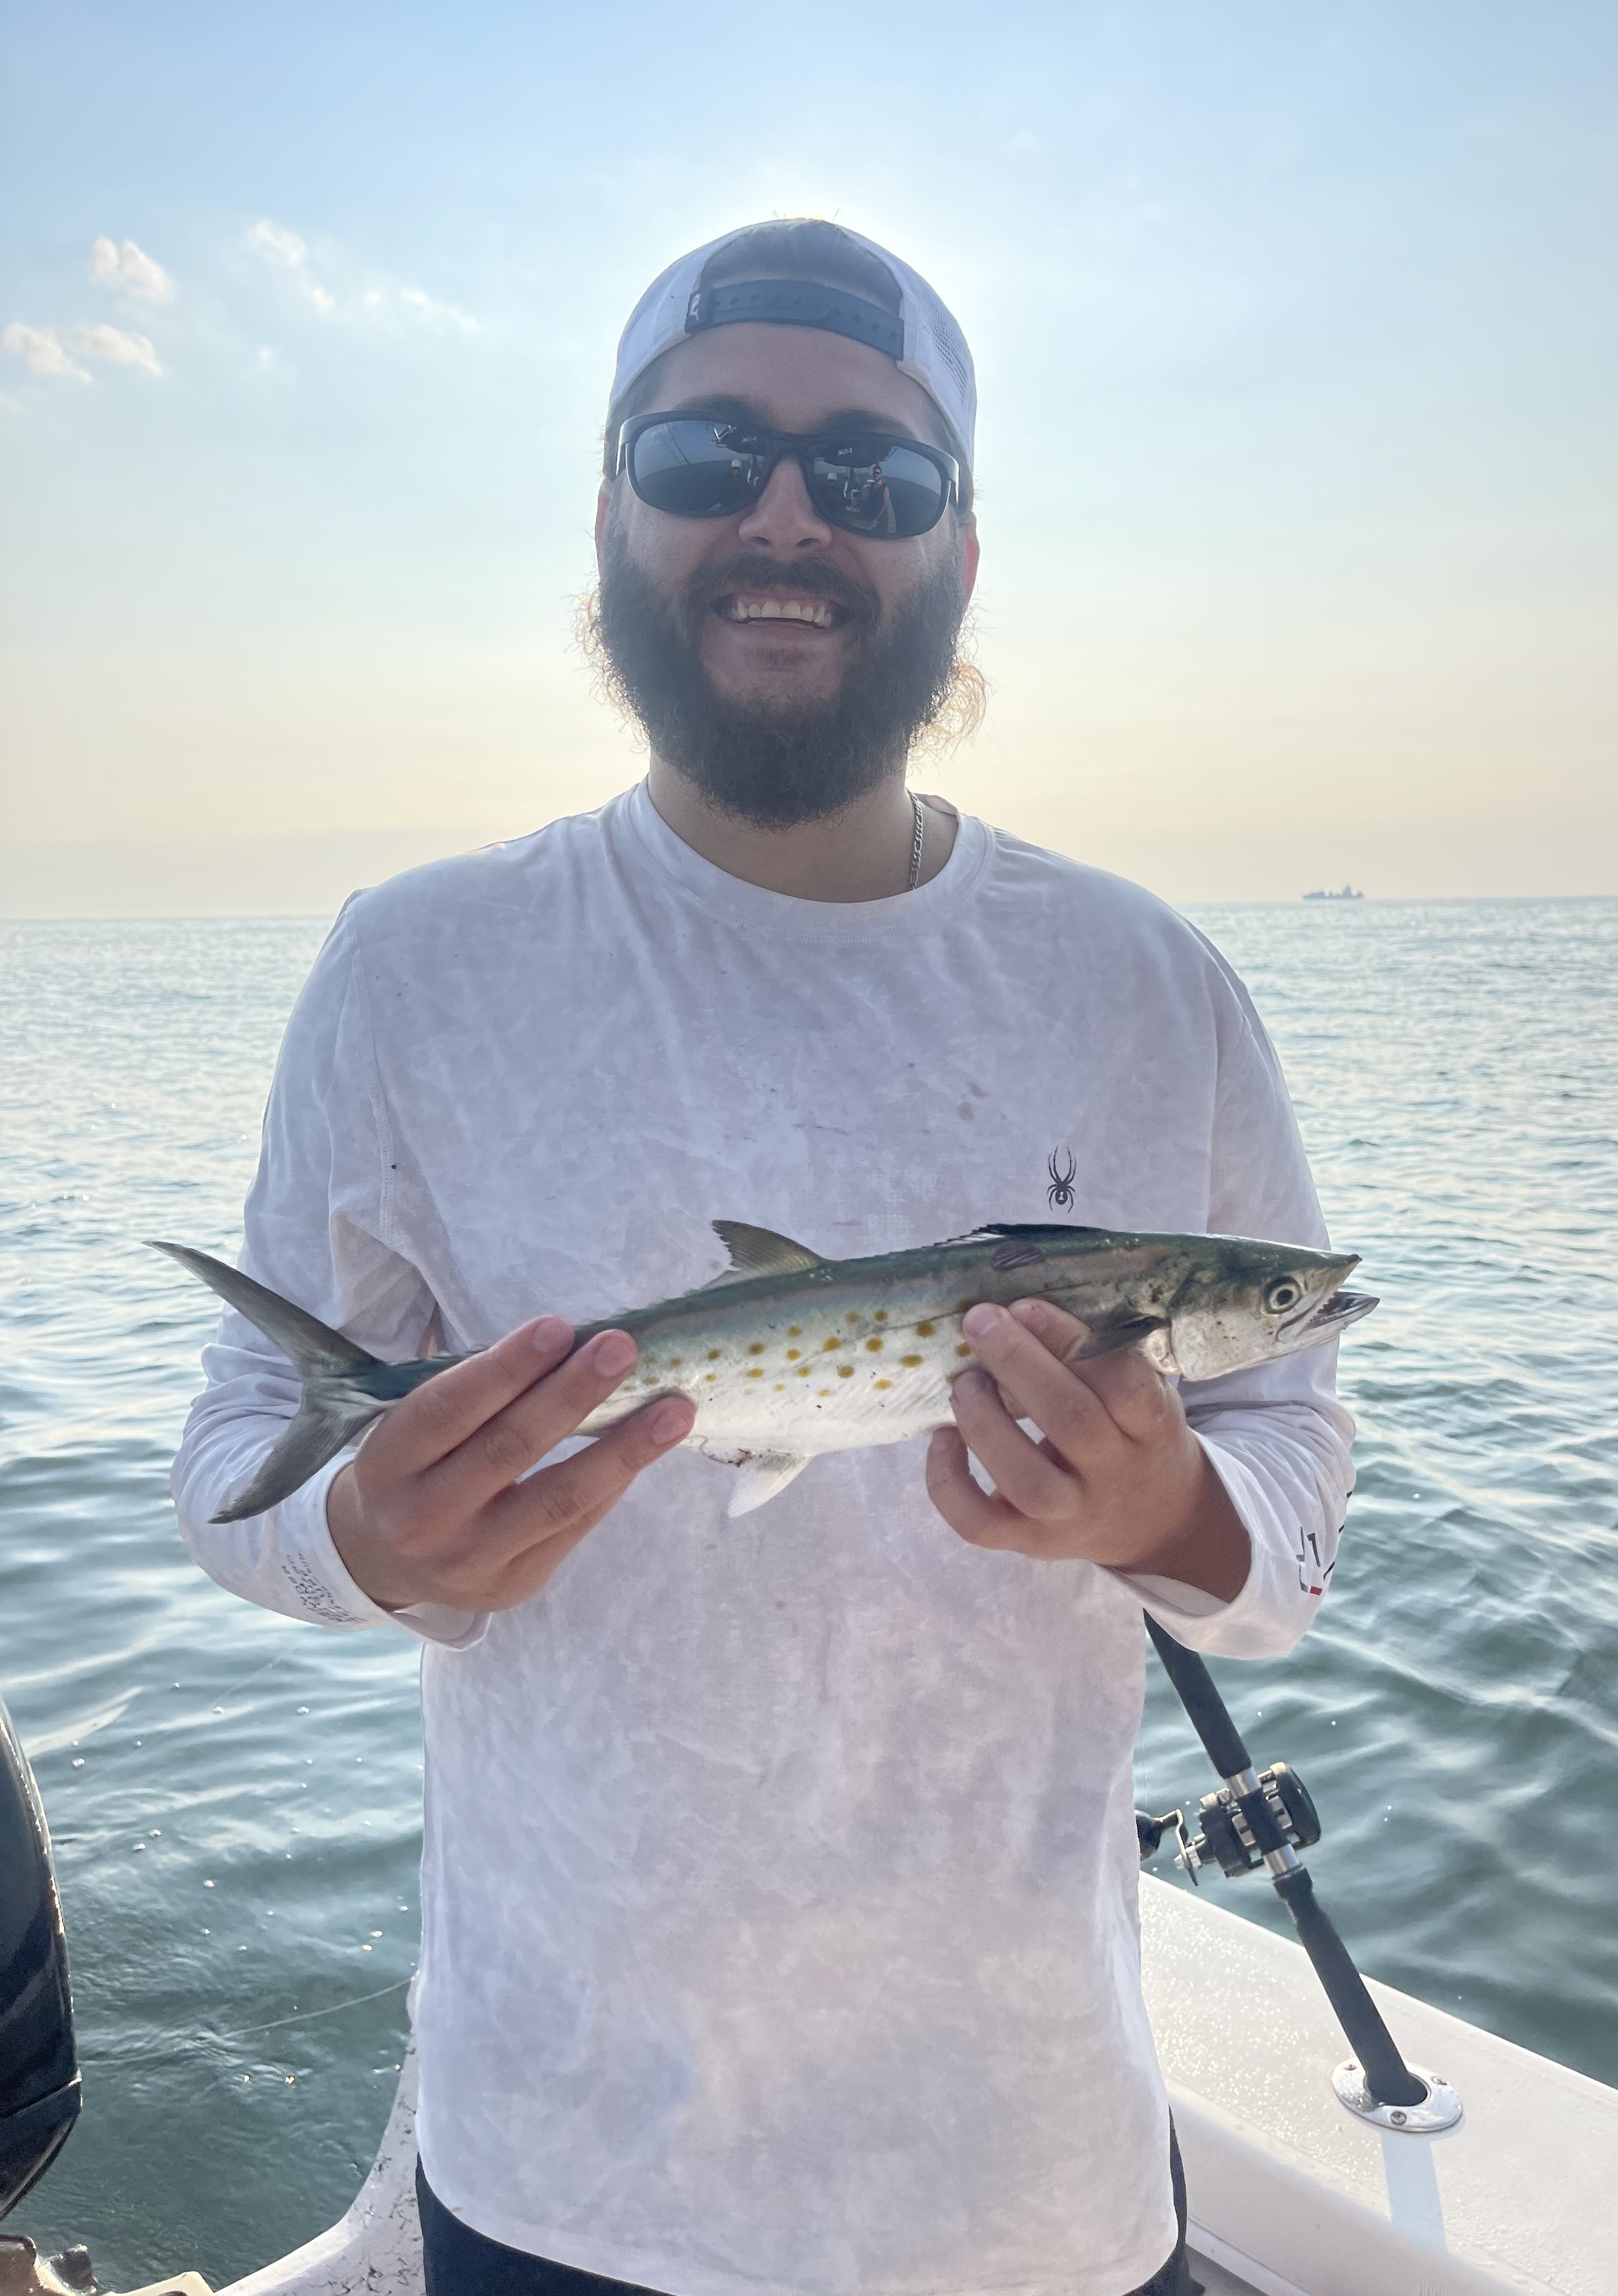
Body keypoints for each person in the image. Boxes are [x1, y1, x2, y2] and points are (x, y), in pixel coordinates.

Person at [173, 218, 1353, 2296]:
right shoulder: (417, 966)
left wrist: (1172, 1507)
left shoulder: (1150, 987)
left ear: (959, 555)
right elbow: (238, 1471)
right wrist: (372, 1538)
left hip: (1031, 2187)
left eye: (872, 476)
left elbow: (1296, 1500)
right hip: (553, 2178)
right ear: (611, 508)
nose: (787, 515)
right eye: (710, 454)